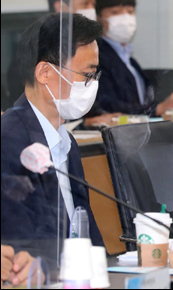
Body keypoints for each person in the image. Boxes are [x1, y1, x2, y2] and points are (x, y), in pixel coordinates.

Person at [1, 14, 105, 265]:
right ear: (44, 72)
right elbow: (22, 245)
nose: (91, 85)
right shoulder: (8, 140)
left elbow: (86, 234)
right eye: (86, 75)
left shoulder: (66, 142)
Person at [88, 0, 173, 120]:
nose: (125, 18)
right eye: (115, 12)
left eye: (130, 12)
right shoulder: (96, 56)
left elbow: (144, 101)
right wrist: (159, 108)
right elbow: (108, 105)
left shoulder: (131, 61)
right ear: (98, 17)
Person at [7, 0, 99, 109]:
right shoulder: (34, 52)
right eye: (85, 3)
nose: (92, 10)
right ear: (61, 7)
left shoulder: (92, 49)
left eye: (93, 4)